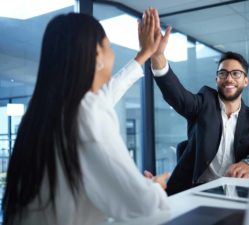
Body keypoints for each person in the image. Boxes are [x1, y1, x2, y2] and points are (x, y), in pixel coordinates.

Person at [2, 9, 169, 225]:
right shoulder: (87, 112)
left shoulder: (45, 111)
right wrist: (155, 186)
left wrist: (145, 53)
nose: (113, 55)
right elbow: (140, 203)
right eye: (109, 47)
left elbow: (108, 93)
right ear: (97, 54)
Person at [148, 14, 249, 195]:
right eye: (223, 73)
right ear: (216, 78)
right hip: (199, 190)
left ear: (246, 81)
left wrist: (248, 163)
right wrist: (157, 55)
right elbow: (176, 94)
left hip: (236, 191)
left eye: (236, 73)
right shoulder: (203, 103)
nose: (229, 78)